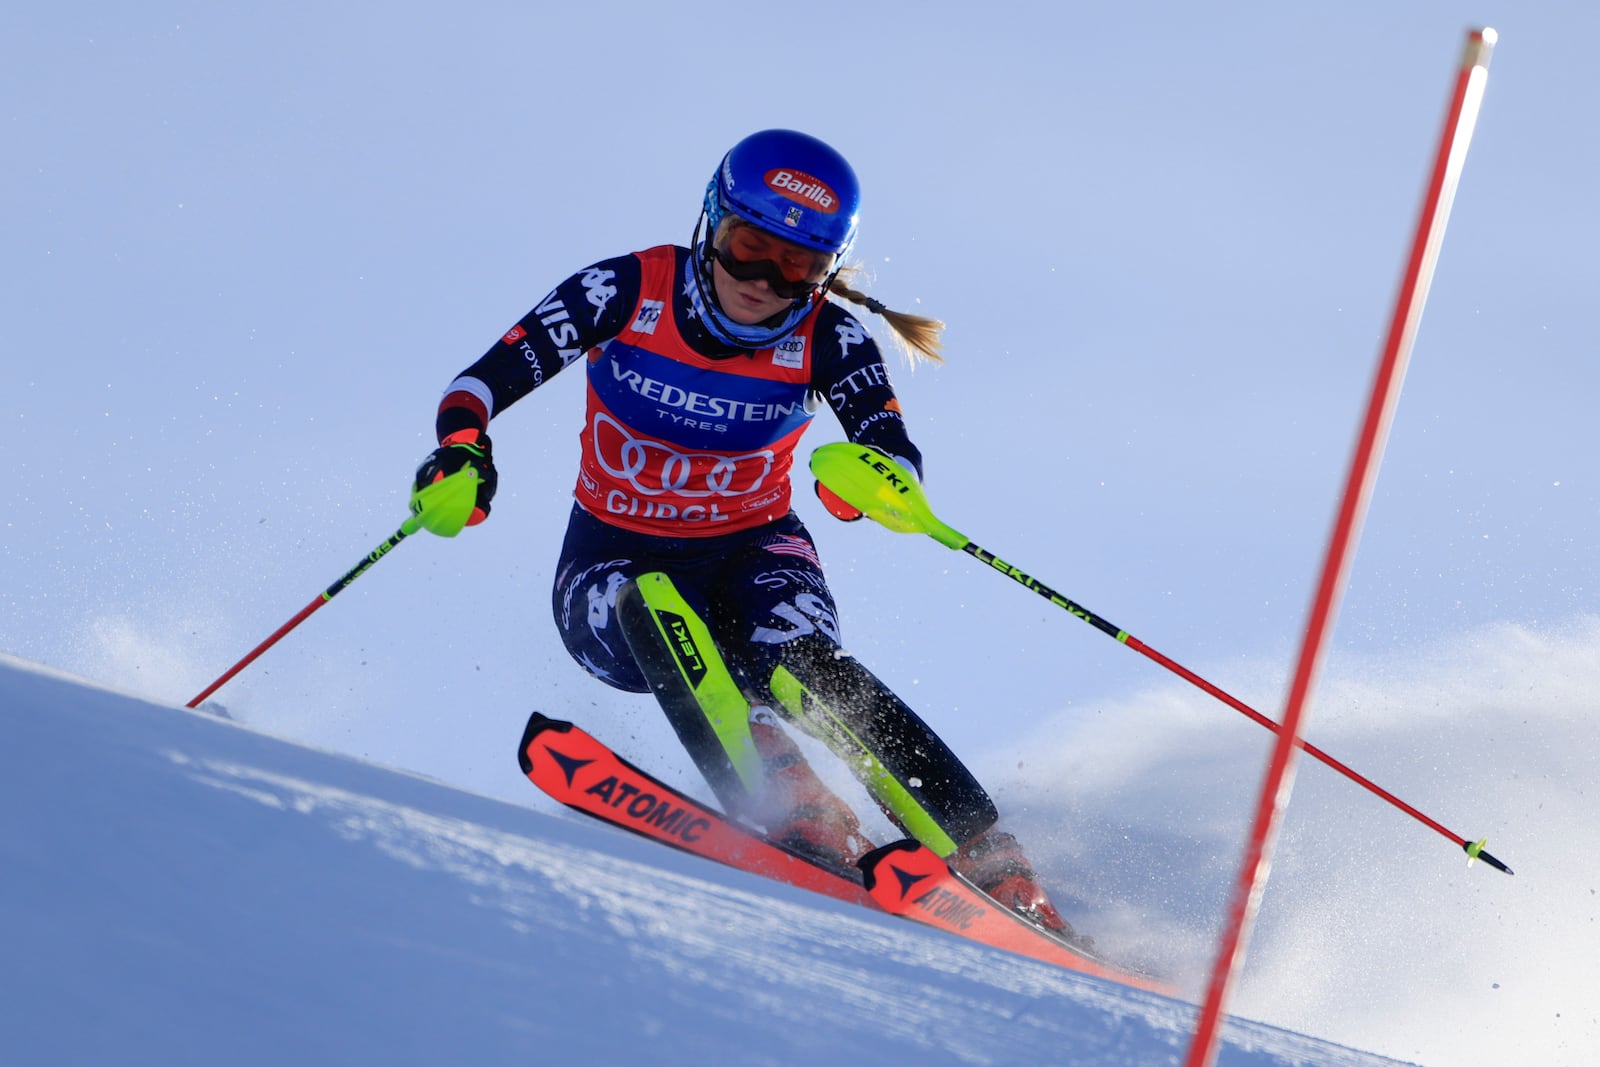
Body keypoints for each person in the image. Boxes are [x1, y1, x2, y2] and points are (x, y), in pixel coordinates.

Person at [413, 129, 1071, 935]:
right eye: (748, 245)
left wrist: (870, 483)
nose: (762, 278)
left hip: (755, 550)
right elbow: (481, 381)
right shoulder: (627, 288)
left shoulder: (828, 335)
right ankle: (787, 794)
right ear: (711, 224)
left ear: (826, 271)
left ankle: (990, 861)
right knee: (650, 603)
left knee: (802, 664)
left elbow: (889, 444)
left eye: (796, 265)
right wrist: (461, 451)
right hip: (611, 559)